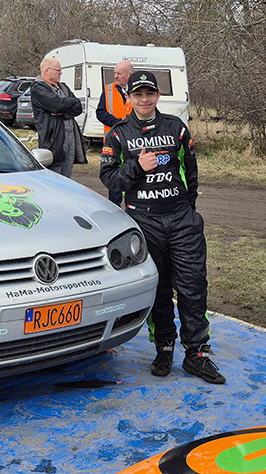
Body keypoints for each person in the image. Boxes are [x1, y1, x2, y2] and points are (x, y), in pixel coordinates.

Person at [100, 70, 224, 385]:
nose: (144, 99)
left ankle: (197, 354)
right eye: (137, 94)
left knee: (194, 286)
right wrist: (136, 167)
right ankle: (164, 347)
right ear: (129, 98)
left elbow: (191, 173)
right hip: (144, 221)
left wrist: (188, 210)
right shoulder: (118, 134)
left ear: (157, 95)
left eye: (149, 93)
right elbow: (109, 179)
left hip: (181, 219)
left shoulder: (176, 128)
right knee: (158, 288)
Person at [31, 56, 85, 177]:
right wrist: (68, 103)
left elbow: (78, 107)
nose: (61, 73)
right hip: (53, 142)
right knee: (53, 177)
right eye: (58, 70)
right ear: (47, 71)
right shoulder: (38, 88)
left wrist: (64, 111)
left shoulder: (63, 87)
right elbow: (57, 105)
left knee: (67, 175)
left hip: (70, 140)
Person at [96, 59, 133, 136]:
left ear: (129, 74)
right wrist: (119, 123)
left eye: (119, 73)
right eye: (115, 73)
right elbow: (100, 113)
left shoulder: (138, 90)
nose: (115, 76)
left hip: (133, 137)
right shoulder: (108, 89)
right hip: (112, 137)